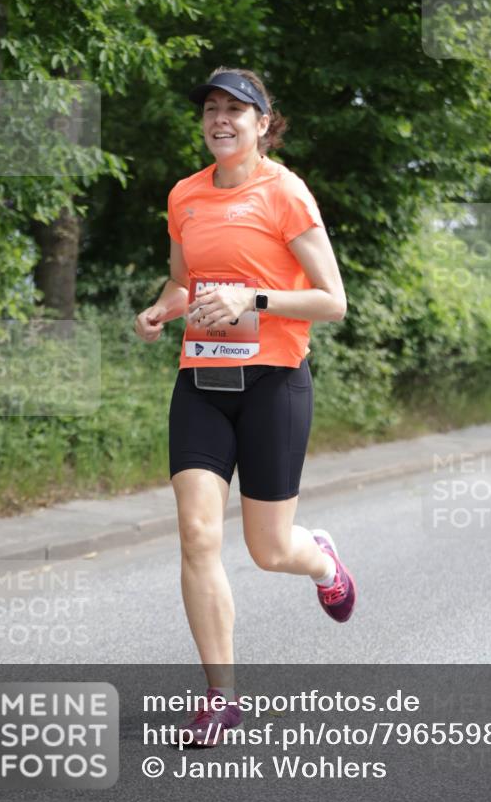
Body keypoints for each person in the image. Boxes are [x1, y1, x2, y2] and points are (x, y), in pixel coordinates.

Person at [134, 67, 356, 746]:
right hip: (202, 381)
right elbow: (182, 278)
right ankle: (221, 696)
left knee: (267, 550)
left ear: (264, 124)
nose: (220, 119)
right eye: (211, 108)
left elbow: (332, 302)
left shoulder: (284, 193)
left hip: (272, 383)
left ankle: (319, 558)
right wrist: (161, 307)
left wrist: (251, 299)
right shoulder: (185, 195)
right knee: (199, 534)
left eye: (237, 109)